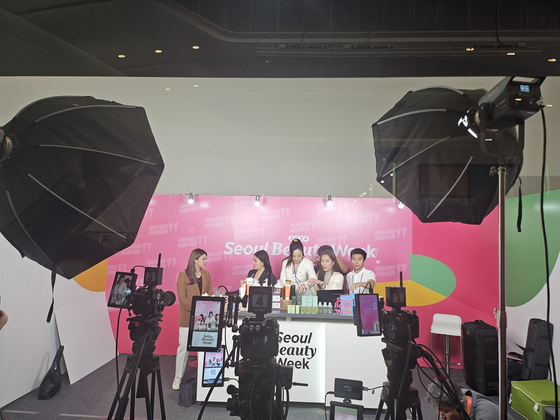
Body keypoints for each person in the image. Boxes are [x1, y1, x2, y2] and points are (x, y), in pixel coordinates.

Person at [174, 248, 213, 390]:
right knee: (183, 348)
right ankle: (177, 378)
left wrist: (204, 310)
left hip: (203, 320)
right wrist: (198, 310)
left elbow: (210, 293)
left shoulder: (206, 274)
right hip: (187, 318)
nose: (206, 261)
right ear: (195, 259)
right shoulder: (183, 275)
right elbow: (182, 299)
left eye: (206, 258)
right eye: (203, 259)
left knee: (203, 348)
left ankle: (204, 377)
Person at [427, 380, 514, 420]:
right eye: (438, 410)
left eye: (445, 411)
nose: (441, 416)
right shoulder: (461, 394)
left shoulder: (485, 417)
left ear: (460, 405)